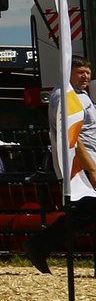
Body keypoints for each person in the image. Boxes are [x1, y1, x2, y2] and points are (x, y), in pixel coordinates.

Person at [29, 58, 96, 275]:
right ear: (68, 73)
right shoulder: (64, 98)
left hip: (89, 161)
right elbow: (72, 136)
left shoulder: (80, 96)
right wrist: (92, 169)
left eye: (87, 72)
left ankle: (40, 244)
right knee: (85, 212)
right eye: (80, 72)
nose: (85, 76)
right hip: (83, 164)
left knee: (88, 212)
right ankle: (39, 244)